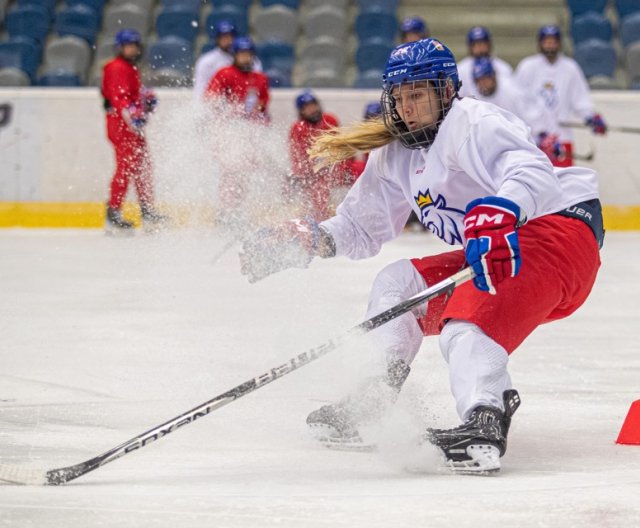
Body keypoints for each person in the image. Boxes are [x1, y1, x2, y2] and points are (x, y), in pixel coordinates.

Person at [239, 38, 603, 474]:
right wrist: (309, 238)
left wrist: (503, 209)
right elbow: (360, 226)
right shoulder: (395, 153)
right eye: (400, 96)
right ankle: (374, 400)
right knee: (396, 285)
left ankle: (484, 422)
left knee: (464, 324)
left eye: (418, 95)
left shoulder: (473, 122)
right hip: (510, 244)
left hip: (559, 232)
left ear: (446, 92)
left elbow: (531, 171)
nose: (407, 107)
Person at [515, 24, 607, 167]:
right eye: (546, 42)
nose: (550, 46)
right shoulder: (527, 67)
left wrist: (590, 117)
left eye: (553, 42)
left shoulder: (570, 67)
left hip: (562, 138)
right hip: (533, 141)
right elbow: (520, 103)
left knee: (565, 184)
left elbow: (580, 98)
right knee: (535, 184)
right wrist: (539, 131)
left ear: (559, 43)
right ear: (540, 43)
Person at [101, 29, 164, 234]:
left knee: (142, 166)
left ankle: (146, 209)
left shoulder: (129, 67)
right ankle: (114, 212)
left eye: (134, 45)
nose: (132, 49)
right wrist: (133, 115)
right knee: (126, 167)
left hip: (130, 125)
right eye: (128, 45)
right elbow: (119, 97)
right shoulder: (116, 67)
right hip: (121, 125)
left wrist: (145, 98)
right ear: (120, 47)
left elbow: (131, 93)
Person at [470, 57, 564, 165]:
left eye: (486, 78)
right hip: (494, 151)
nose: (483, 83)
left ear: (494, 76)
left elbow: (531, 115)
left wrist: (543, 135)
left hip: (520, 148)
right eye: (479, 80)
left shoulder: (511, 92)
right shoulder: (475, 97)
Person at [288, 90, 352, 220]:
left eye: (314, 105)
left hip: (335, 169)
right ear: (301, 111)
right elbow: (298, 160)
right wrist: (308, 177)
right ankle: (319, 220)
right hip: (313, 176)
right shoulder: (298, 128)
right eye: (308, 107)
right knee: (318, 192)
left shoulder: (330, 120)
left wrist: (342, 169)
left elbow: (343, 148)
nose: (313, 109)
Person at [193, 20, 263, 100]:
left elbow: (258, 87)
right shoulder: (206, 61)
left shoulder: (252, 61)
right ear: (217, 39)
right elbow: (200, 90)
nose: (227, 40)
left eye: (230, 36)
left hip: (244, 104)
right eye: (223, 37)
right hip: (216, 104)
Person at [205, 37, 269, 121]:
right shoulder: (224, 73)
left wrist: (258, 108)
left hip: (251, 122)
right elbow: (211, 97)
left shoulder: (260, 78)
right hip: (227, 121)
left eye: (247, 53)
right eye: (241, 53)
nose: (245, 57)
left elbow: (263, 103)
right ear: (235, 55)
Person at [458, 26, 513, 98]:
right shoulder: (461, 69)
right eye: (476, 44)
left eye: (482, 43)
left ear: (489, 45)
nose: (480, 48)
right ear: (470, 47)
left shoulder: (503, 68)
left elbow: (510, 95)